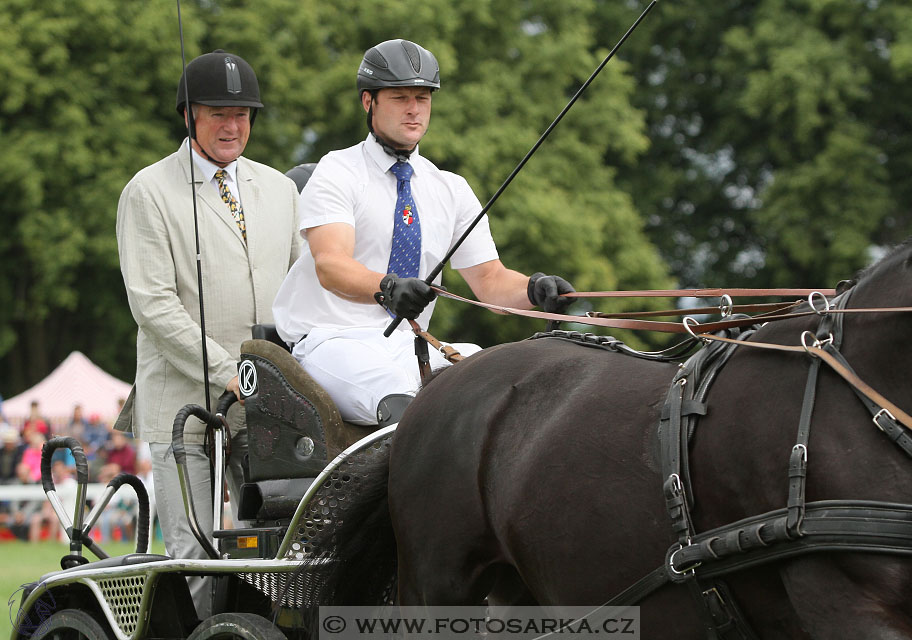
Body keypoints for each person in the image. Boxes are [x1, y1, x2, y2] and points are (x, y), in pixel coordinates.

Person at [273, 39, 574, 426]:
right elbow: (331, 264)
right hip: (331, 341)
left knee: (503, 382)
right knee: (405, 402)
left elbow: (490, 281)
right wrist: (388, 285)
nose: (414, 109)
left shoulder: (450, 188)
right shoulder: (338, 171)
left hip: (410, 344)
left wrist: (533, 290)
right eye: (399, 97)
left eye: (423, 97)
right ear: (369, 102)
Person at [116, 50, 300, 617]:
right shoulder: (147, 191)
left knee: (272, 550)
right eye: (218, 113)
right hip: (183, 403)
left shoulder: (281, 190)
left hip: (266, 401)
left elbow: (303, 294)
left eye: (243, 114)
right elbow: (153, 305)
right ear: (189, 116)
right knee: (195, 555)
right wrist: (231, 372)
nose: (232, 126)